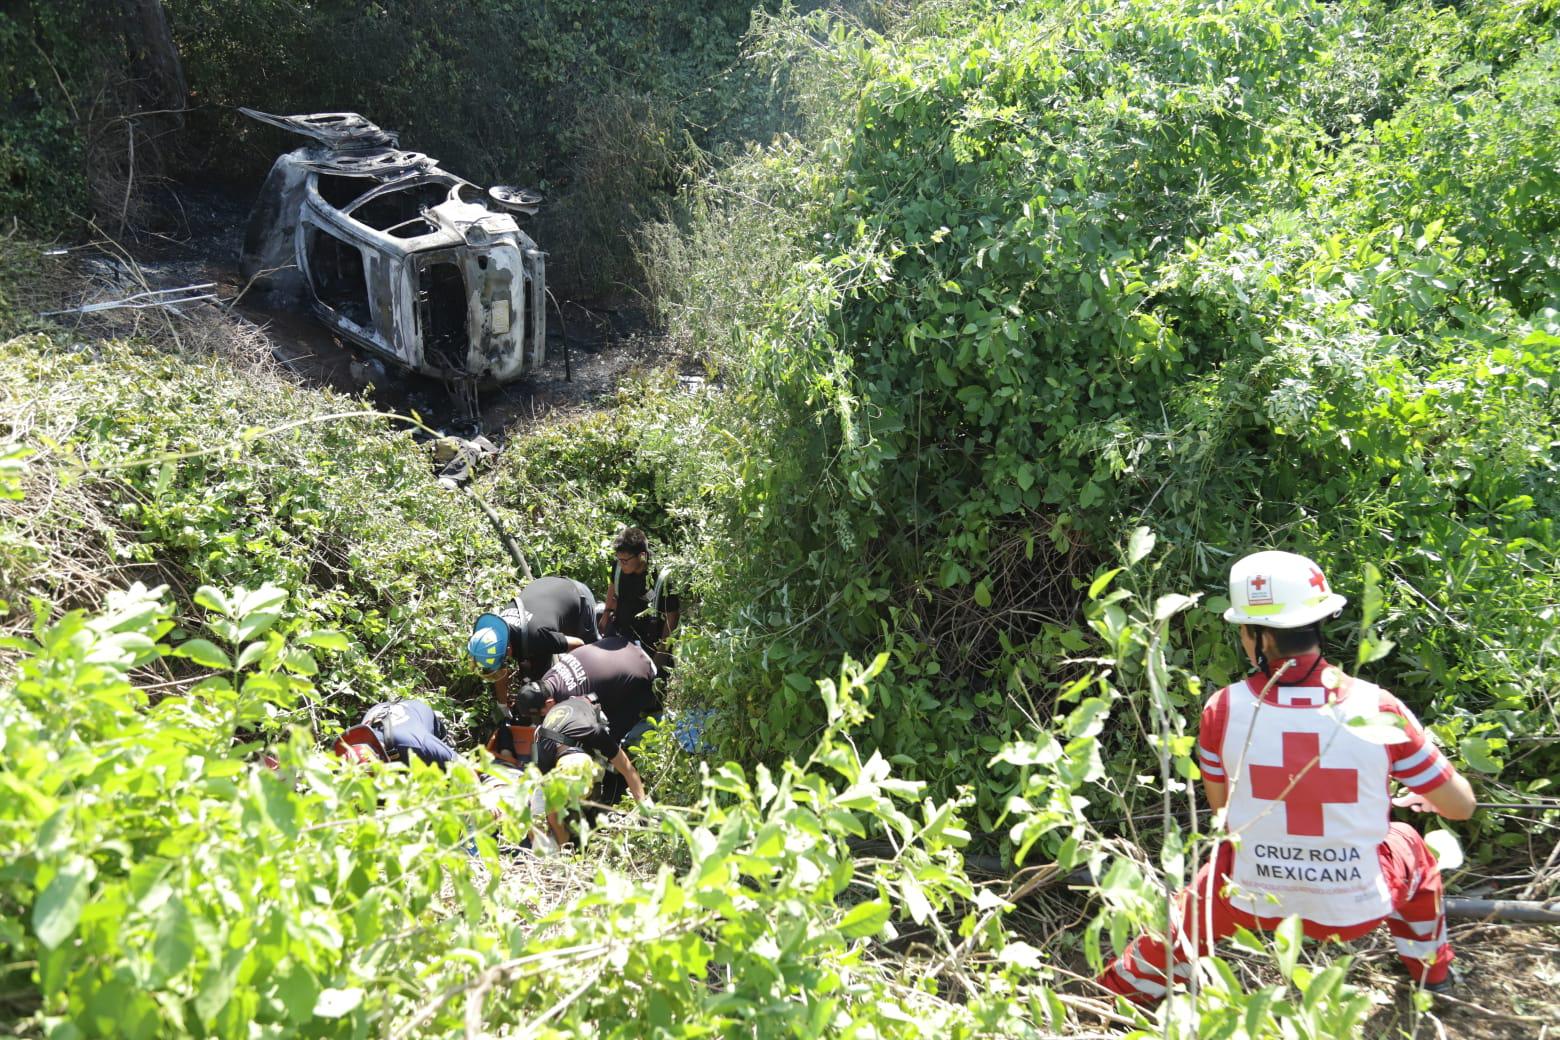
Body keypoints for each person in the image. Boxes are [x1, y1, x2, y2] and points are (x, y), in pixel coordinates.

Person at [1099, 550, 1476, 1003]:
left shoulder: (1222, 709)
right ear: (1320, 623)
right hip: (1353, 908)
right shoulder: (1379, 707)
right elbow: (1461, 807)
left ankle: (1119, 993)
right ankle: (1432, 975)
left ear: (1255, 637)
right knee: (1410, 845)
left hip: (1251, 902)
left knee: (1201, 893)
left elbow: (1225, 816)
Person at [529, 694, 647, 846]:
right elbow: (551, 811)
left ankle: (598, 794)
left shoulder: (594, 732)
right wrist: (562, 842)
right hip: (559, 727)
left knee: (615, 766)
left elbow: (628, 770)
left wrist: (644, 809)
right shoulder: (545, 754)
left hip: (585, 707)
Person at [508, 635, 660, 748]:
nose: (542, 717)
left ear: (549, 702)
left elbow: (589, 731)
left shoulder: (570, 700)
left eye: (540, 713)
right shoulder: (548, 678)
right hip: (624, 643)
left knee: (606, 735)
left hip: (645, 671)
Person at [467, 574, 602, 685]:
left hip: (576, 595)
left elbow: (579, 644)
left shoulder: (536, 638)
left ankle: (602, 617)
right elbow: (501, 669)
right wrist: (502, 705)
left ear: (508, 649)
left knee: (593, 656)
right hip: (545, 590)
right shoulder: (497, 629)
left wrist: (567, 667)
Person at [601, 527, 680, 659]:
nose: (621, 564)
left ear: (642, 556)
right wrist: (606, 613)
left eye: (625, 561)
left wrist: (662, 652)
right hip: (621, 630)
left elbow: (672, 616)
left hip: (649, 641)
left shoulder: (661, 578)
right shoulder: (620, 565)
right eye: (618, 559)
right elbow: (613, 586)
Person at [333, 699, 458, 768]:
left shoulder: (418, 744)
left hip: (417, 713)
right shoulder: (361, 738)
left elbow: (462, 766)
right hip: (382, 712)